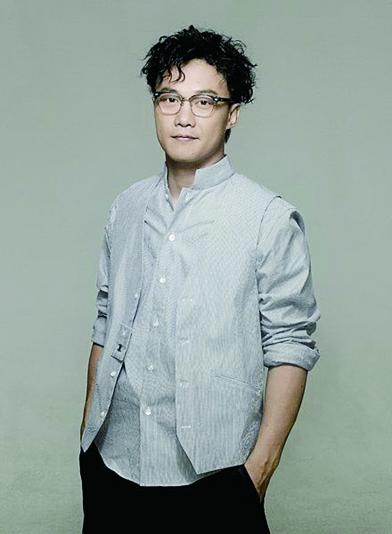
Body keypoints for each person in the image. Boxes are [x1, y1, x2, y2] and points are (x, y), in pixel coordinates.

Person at [78, 24, 321, 533]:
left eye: (204, 101)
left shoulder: (268, 218)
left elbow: (290, 346)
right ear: (155, 106)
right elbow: (105, 324)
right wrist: (88, 435)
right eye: (170, 98)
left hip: (217, 476)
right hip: (113, 462)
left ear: (232, 114)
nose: (184, 116)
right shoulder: (126, 207)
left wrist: (258, 472)